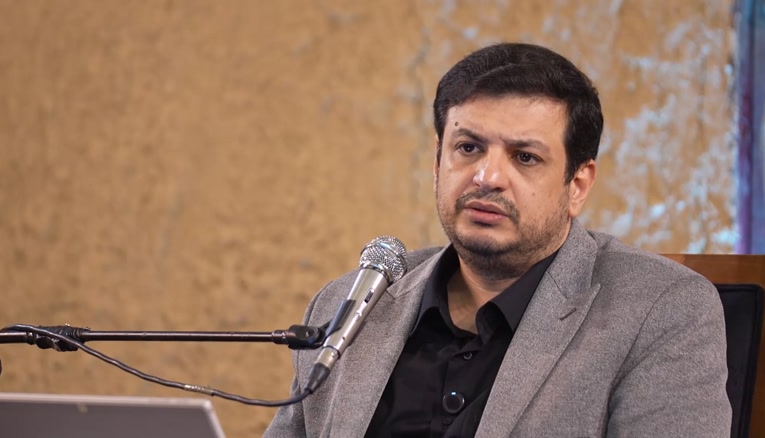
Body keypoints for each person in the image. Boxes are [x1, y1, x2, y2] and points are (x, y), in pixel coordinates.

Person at [264, 42, 731, 437]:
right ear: (438, 162)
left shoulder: (661, 310)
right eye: (468, 148)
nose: (487, 177)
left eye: (525, 157)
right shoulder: (347, 307)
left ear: (577, 184)